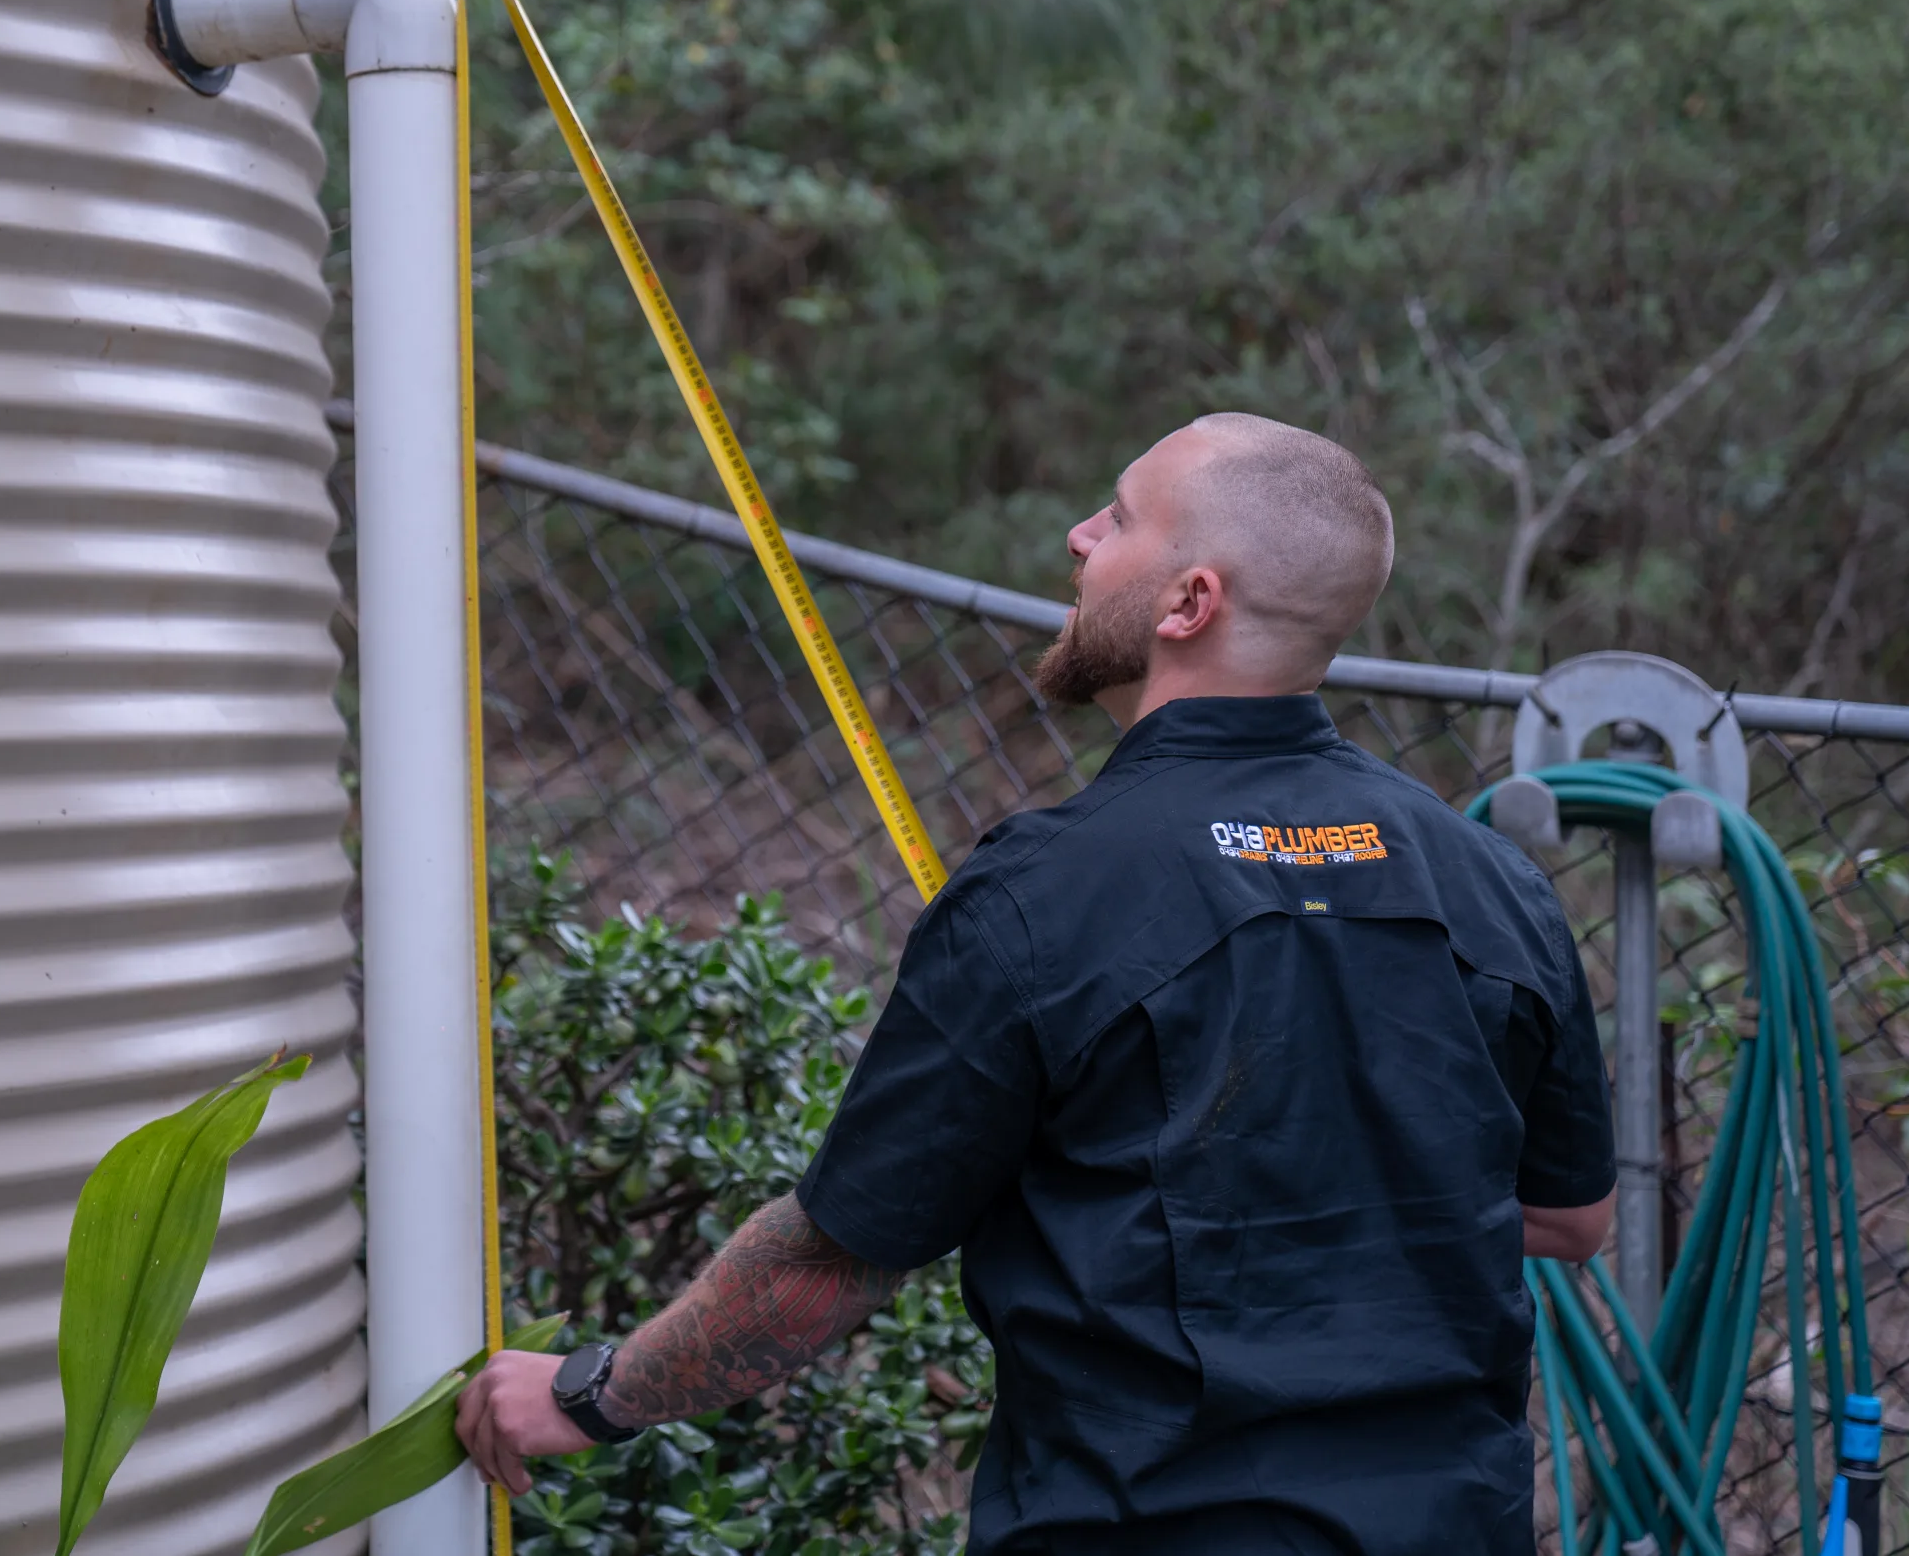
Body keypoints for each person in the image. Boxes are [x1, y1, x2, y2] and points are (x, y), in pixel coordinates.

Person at [455, 412, 1618, 1554]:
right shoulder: (1490, 882)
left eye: (1115, 519)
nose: (1075, 535)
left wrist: (588, 1395)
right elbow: (1569, 1216)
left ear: (1187, 603)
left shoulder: (1044, 895)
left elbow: (833, 1262)